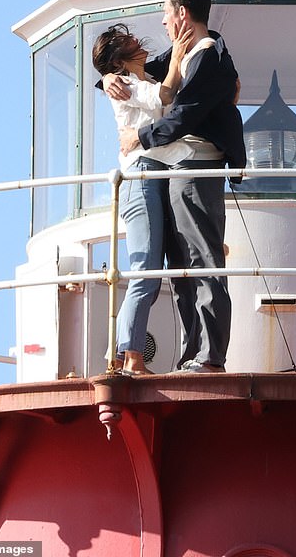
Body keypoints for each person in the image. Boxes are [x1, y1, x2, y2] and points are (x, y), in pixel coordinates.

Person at [104, 0, 246, 373]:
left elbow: (186, 113)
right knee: (182, 267)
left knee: (201, 261)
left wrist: (140, 135)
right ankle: (191, 356)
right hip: (173, 167)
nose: (163, 22)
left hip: (196, 165)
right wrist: (108, 79)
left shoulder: (208, 56)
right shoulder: (181, 54)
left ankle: (208, 357)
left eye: (166, 13)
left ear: (182, 13)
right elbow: (141, 74)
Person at [92, 21, 193, 376]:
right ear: (120, 58)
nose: (138, 38)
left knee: (148, 271)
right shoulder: (127, 85)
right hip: (141, 178)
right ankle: (131, 357)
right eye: (128, 40)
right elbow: (165, 97)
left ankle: (122, 354)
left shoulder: (140, 78)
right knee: (145, 273)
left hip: (154, 176)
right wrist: (179, 54)